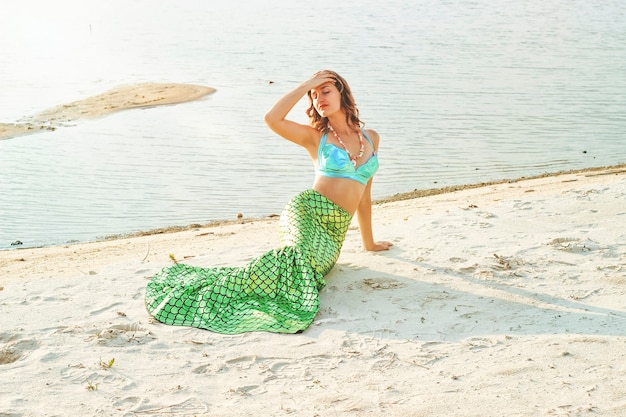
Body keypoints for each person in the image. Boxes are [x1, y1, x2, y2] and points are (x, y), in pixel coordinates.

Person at [145, 70, 392, 334]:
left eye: (326, 91)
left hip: (334, 232)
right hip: (307, 212)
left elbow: (364, 196)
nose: (319, 98)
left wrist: (369, 243)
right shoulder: (315, 137)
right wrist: (305, 85)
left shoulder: (371, 138)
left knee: (311, 272)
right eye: (314, 95)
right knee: (294, 261)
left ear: (343, 93)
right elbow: (272, 118)